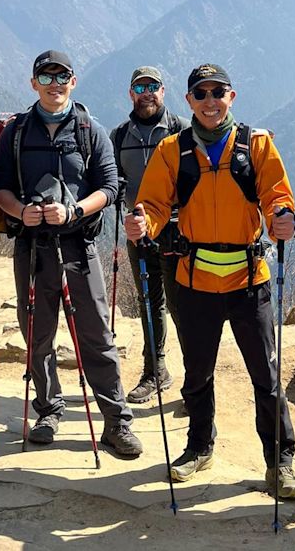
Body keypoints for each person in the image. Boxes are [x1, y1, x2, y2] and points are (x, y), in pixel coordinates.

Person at [125, 62, 295, 499]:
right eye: (200, 94)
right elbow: (151, 201)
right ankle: (199, 447)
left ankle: (280, 464)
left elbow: (277, 195)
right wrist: (142, 223)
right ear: (188, 101)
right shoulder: (172, 150)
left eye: (217, 92)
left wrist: (282, 217)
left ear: (232, 97)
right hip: (194, 281)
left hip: (248, 281)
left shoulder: (256, 145)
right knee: (197, 373)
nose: (209, 101)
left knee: (266, 375)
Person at [0, 49, 142, 457]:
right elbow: (0, 184)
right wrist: (22, 211)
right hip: (33, 244)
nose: (55, 84)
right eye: (47, 77)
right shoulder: (16, 132)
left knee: (95, 332)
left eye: (63, 77)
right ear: (33, 82)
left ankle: (116, 421)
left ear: (73, 83)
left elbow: (110, 189)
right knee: (37, 331)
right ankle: (48, 409)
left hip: (78, 244)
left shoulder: (91, 131)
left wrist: (74, 209)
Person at [110, 66, 188, 404]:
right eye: (140, 87)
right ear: (131, 93)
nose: (147, 92)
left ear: (163, 90)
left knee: (181, 304)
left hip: (177, 230)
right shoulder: (119, 136)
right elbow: (112, 182)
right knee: (148, 301)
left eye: (153, 86)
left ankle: (196, 380)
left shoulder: (182, 130)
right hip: (138, 230)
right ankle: (155, 371)